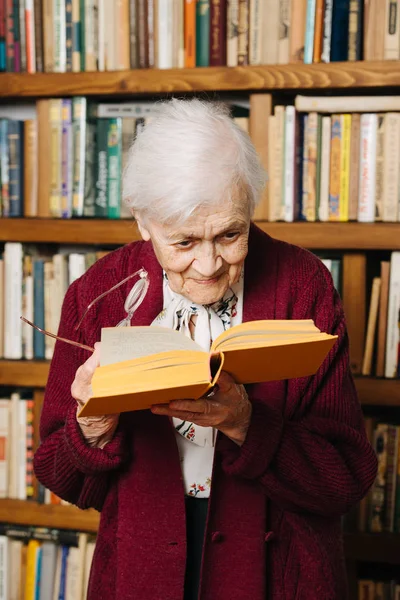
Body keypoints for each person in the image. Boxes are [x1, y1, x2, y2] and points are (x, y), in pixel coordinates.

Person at [34, 99, 377, 600]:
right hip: (139, 570)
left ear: (249, 207)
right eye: (184, 242)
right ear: (143, 222)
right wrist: (90, 427)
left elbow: (346, 480)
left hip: (275, 572)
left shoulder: (304, 285)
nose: (209, 264)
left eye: (230, 234)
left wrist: (246, 422)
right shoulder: (96, 294)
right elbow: (61, 479)